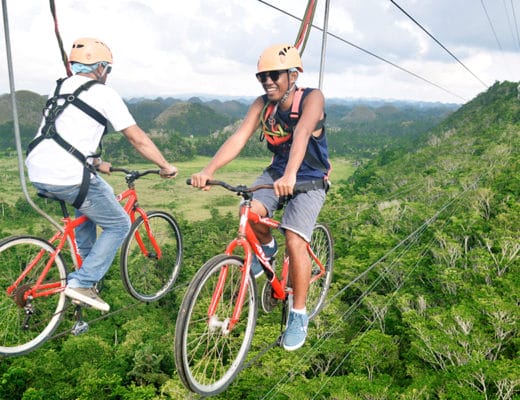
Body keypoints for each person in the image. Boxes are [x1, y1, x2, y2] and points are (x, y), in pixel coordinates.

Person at [190, 43, 330, 351]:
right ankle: (267, 247)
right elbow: (239, 137)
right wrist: (208, 170)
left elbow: (303, 133)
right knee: (250, 213)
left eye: (274, 75)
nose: (268, 81)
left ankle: (298, 314)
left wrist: (291, 174)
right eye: (262, 76)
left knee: (295, 240)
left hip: (309, 178)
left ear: (293, 75)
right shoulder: (262, 105)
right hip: (277, 172)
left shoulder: (312, 98)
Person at [25, 37, 178, 312]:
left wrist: (95, 161)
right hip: (67, 175)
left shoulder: (58, 86)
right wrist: (165, 165)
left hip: (39, 168)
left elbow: (66, 130)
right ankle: (82, 282)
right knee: (119, 223)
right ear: (101, 68)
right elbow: (137, 138)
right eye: (108, 70)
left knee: (96, 198)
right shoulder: (104, 93)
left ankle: (84, 264)